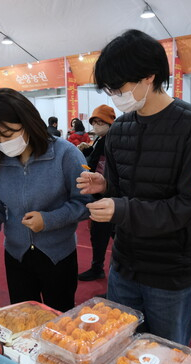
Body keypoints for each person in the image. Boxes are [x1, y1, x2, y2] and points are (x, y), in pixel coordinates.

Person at [77, 29, 191, 345]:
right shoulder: (120, 128)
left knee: (166, 361)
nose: (114, 94)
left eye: (119, 87)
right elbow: (123, 190)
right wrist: (106, 186)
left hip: (172, 272)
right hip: (125, 265)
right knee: (118, 353)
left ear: (149, 76)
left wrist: (121, 207)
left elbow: (188, 205)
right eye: (109, 88)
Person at [0, 88, 91, 312]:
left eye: (8, 134)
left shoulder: (65, 154)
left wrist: (49, 220)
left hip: (58, 255)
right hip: (16, 256)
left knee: (60, 317)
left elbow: (84, 203)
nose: (2, 142)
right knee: (22, 319)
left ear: (28, 122)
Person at [77, 105, 116, 281]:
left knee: (116, 236)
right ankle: (97, 267)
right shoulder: (101, 140)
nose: (97, 125)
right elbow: (95, 160)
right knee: (98, 235)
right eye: (95, 122)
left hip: (111, 195)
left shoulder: (113, 140)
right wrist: (88, 149)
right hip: (99, 194)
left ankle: (113, 274)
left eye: (101, 122)